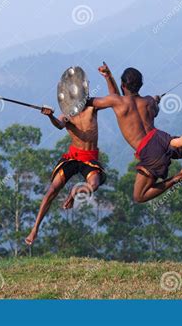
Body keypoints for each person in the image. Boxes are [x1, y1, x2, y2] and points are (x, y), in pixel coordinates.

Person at [89, 64, 182, 203]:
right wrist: (155, 100)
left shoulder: (117, 102)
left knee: (139, 196)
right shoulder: (149, 102)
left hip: (150, 151)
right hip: (160, 139)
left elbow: (91, 102)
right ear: (140, 85)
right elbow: (153, 109)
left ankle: (178, 177)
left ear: (123, 85)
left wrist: (103, 81)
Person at [25, 65, 116, 245]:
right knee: (52, 190)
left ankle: (74, 193)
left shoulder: (92, 106)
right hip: (72, 157)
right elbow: (60, 125)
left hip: (89, 159)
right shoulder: (67, 113)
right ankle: (35, 228)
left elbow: (114, 99)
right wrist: (50, 116)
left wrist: (108, 77)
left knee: (94, 184)